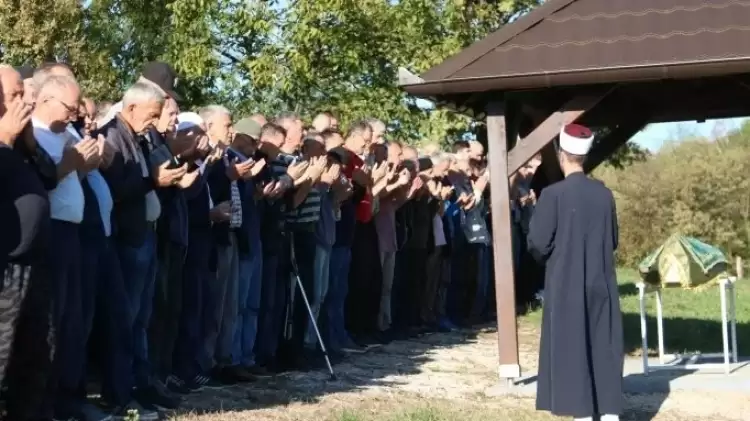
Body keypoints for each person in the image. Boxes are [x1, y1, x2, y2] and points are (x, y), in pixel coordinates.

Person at [527, 124, 623, 421]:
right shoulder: (604, 195)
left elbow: (538, 244)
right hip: (601, 281)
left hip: (565, 282)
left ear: (561, 155)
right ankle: (609, 414)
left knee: (571, 347)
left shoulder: (553, 195)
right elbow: (614, 240)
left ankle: (581, 414)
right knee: (602, 346)